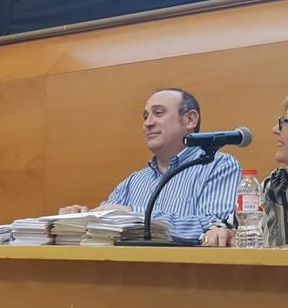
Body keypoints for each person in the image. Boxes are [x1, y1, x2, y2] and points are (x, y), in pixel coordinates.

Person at [60, 88, 241, 245]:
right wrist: (78, 218)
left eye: (159, 113)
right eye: (146, 116)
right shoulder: (133, 181)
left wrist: (133, 215)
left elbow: (216, 225)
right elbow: (106, 225)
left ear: (190, 120)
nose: (148, 123)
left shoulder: (219, 165)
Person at [203, 97, 288, 247]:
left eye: (284, 122)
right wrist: (221, 232)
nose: (275, 129)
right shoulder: (274, 185)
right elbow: (230, 224)